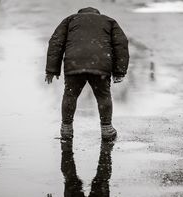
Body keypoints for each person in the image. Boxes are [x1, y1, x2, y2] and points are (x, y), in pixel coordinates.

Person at [45, 7, 129, 141]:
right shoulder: (109, 21)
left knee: (70, 94)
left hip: (74, 64)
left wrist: (51, 70)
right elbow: (121, 44)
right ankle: (107, 129)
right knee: (103, 96)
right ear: (97, 14)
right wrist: (119, 72)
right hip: (100, 64)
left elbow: (56, 43)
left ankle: (66, 128)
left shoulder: (69, 20)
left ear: (80, 14)